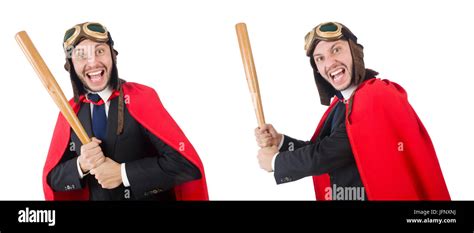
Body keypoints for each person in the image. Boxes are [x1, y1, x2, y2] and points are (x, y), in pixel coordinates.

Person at [255, 22, 450, 200]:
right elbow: (321, 147)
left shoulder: (375, 96)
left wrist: (276, 162)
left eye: (336, 50)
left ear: (355, 52)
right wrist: (280, 142)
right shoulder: (342, 104)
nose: (329, 63)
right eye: (320, 58)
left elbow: (327, 154)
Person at [43, 22, 208, 200]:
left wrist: (123, 174)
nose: (92, 62)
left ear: (113, 56)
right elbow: (53, 179)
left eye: (99, 51)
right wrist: (81, 165)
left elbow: (185, 165)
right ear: (71, 65)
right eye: (81, 56)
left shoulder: (141, 98)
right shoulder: (70, 112)